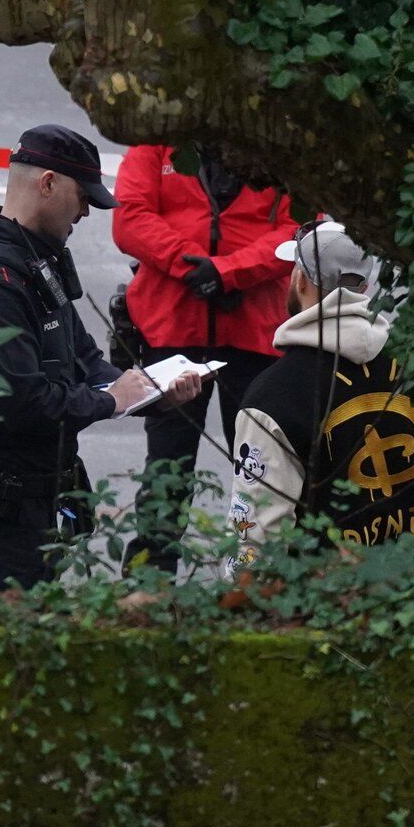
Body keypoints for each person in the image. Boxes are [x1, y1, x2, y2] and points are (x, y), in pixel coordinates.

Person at [0, 124, 203, 591]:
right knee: (16, 638)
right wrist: (110, 402)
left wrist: (151, 392)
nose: (85, 212)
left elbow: (87, 364)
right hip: (2, 511)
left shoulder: (38, 264)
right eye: (83, 197)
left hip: (45, 498)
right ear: (48, 184)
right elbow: (22, 402)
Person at [110, 143, 301, 572]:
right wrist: (194, 268)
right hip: (171, 331)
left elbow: (297, 231)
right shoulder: (154, 146)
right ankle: (148, 583)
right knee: (167, 469)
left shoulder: (276, 145)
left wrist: (227, 273)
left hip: (254, 335)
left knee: (262, 470)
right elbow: (129, 220)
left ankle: (260, 578)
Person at [224, 222, 414, 575]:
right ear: (366, 286)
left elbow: (256, 535)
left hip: (320, 610)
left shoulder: (273, 397)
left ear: (299, 280)